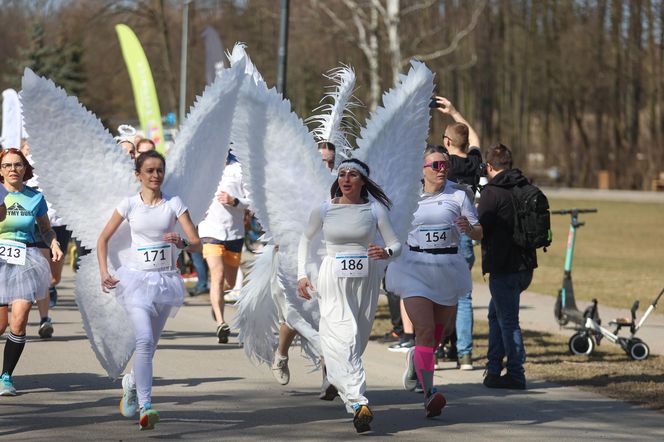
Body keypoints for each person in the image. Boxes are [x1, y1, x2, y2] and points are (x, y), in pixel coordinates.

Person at [97, 150, 201, 429]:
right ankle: (146, 407)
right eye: (150, 171)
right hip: (135, 281)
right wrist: (104, 272)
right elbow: (103, 239)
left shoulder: (174, 204)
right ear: (138, 175)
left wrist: (180, 242)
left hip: (165, 282)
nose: (155, 176)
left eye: (159, 171)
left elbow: (196, 242)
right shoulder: (129, 205)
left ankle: (130, 382)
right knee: (143, 340)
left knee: (149, 347)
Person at [297, 158, 401, 433]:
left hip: (365, 280)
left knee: (356, 341)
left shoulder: (375, 210)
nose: (345, 179)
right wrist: (301, 275)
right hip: (333, 277)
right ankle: (358, 402)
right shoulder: (325, 209)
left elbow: (395, 245)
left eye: (352, 175)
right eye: (342, 174)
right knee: (343, 336)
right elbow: (305, 240)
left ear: (362, 181)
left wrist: (386, 253)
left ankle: (337, 379)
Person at [385, 145, 482, 418]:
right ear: (422, 169)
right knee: (425, 330)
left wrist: (470, 229)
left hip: (447, 268)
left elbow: (479, 232)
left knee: (441, 332)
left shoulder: (459, 194)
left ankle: (417, 359)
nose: (442, 170)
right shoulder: (407, 196)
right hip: (414, 267)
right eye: (436, 165)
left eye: (445, 165)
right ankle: (429, 394)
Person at [0, 148, 63, 396]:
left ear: (25, 169)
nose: (13, 169)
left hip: (24, 259)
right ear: (0, 170)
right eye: (7, 165)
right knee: (1, 325)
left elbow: (46, 229)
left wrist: (54, 242)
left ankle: (6, 376)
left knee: (20, 318)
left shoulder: (35, 198)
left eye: (18, 165)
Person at [478, 143, 536, 390]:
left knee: (508, 320)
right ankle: (492, 370)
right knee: (496, 315)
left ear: (489, 167)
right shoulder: (525, 186)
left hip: (504, 268)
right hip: (526, 266)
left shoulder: (492, 193)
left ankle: (515, 373)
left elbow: (481, 229)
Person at [433, 96, 483, 370]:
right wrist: (454, 112)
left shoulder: (443, 165)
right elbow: (473, 138)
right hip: (467, 232)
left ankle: (437, 347)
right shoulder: (475, 163)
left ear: (448, 143)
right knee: (464, 297)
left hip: (443, 231)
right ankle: (465, 355)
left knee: (438, 294)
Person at [197, 150, 250, 343]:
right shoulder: (202, 170)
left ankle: (216, 301)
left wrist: (234, 201)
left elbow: (251, 201)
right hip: (210, 231)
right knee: (217, 276)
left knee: (228, 282)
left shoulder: (239, 170)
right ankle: (221, 323)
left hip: (234, 233)